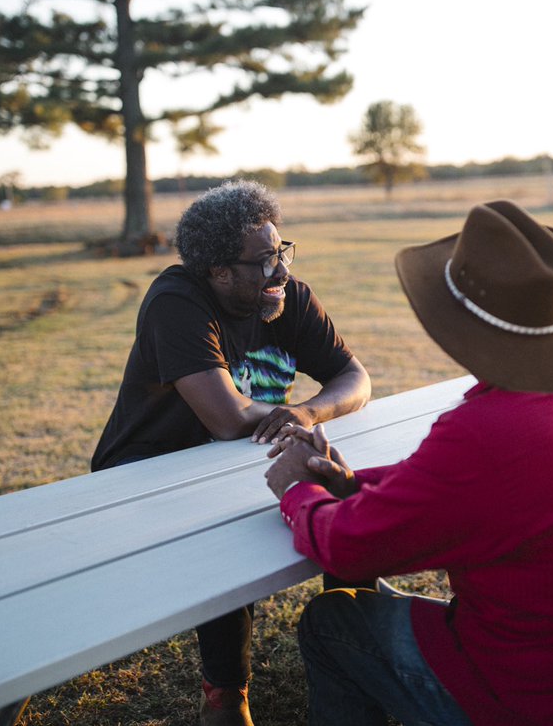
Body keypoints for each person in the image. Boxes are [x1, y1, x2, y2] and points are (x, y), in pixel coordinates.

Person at [265, 200, 553, 725]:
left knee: (331, 622)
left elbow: (351, 548)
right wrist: (351, 481)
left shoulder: (489, 430)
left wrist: (296, 491)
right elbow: (466, 487)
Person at [90, 179, 371, 726]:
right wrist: (291, 424)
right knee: (224, 532)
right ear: (220, 272)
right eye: (266, 260)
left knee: (342, 487)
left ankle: (356, 631)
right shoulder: (176, 301)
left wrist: (309, 414)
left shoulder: (288, 298)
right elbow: (226, 418)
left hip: (242, 456)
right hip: (145, 471)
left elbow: (354, 378)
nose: (282, 272)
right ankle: (225, 696)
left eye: (281, 251)